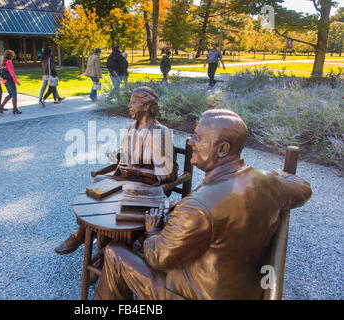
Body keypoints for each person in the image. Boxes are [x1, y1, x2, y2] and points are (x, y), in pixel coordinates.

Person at [95, 108, 312, 300]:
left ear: (223, 149)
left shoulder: (196, 207)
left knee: (115, 252)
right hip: (241, 287)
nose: (191, 142)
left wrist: (152, 231)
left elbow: (158, 258)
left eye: (198, 138)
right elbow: (303, 187)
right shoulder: (269, 182)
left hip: (193, 293)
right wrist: (273, 174)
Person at [55, 86, 178, 255]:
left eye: (133, 102)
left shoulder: (161, 133)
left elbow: (168, 174)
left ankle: (87, 240)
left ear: (147, 106)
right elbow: (126, 156)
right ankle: (92, 238)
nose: (129, 106)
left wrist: (137, 172)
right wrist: (118, 156)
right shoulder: (130, 128)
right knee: (97, 183)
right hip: (126, 179)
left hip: (147, 186)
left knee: (114, 197)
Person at [0, 50, 22, 114]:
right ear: (10, 56)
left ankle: (1, 106)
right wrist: (15, 80)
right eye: (12, 55)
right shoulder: (9, 62)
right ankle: (15, 109)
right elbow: (12, 72)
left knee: (10, 94)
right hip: (10, 80)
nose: (13, 56)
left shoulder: (3, 62)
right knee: (14, 95)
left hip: (5, 81)